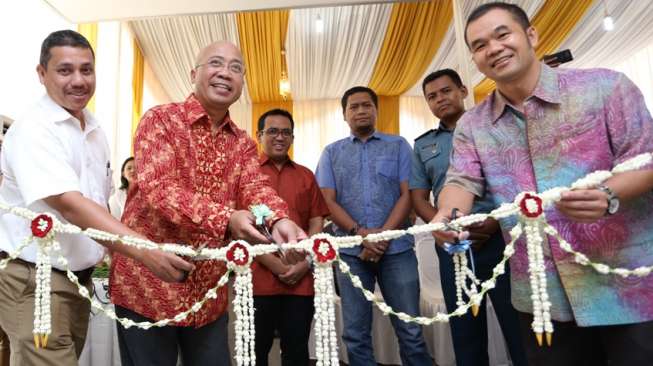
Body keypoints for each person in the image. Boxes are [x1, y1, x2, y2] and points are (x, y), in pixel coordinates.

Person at [431, 3, 653, 365]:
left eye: (503, 34)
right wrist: (447, 217)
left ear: (530, 35)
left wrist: (609, 194)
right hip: (540, 297)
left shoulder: (606, 87)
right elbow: (461, 181)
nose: (494, 48)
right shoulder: (474, 125)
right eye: (480, 45)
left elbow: (647, 159)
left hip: (626, 287)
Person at [0, 30, 192, 366]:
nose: (78, 80)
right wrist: (145, 251)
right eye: (65, 70)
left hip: (77, 280)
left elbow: (100, 206)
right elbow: (71, 205)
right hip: (35, 281)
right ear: (42, 74)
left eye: (86, 70)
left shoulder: (94, 129)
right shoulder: (34, 128)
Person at [109, 41, 307, 366]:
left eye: (236, 68)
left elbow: (255, 191)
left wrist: (276, 220)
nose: (225, 73)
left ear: (242, 82)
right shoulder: (161, 120)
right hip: (147, 286)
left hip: (208, 295)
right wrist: (227, 218)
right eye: (216, 63)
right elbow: (159, 189)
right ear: (193, 74)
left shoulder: (242, 143)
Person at [410, 69, 527, 366]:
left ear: (463, 91)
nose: (440, 99)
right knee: (465, 332)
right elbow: (418, 198)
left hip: (501, 239)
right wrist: (444, 226)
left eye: (446, 91)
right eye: (432, 96)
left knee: (517, 325)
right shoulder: (423, 145)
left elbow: (517, 180)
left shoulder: (494, 126)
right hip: (454, 247)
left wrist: (496, 221)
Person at [315, 86, 432, 365]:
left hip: (398, 251)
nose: (361, 111)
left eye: (366, 105)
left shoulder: (399, 145)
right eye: (353, 107)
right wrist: (360, 234)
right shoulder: (332, 153)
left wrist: (383, 237)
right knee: (355, 334)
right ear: (344, 114)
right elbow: (326, 200)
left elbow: (408, 194)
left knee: (410, 328)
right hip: (351, 255)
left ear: (376, 110)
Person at [253, 108, 330, 366]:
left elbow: (317, 220)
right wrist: (275, 264)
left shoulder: (306, 175)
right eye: (272, 131)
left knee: (296, 350)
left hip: (300, 279)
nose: (279, 137)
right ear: (259, 135)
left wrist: (303, 262)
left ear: (292, 138)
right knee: (256, 350)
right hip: (259, 279)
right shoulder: (247, 176)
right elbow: (239, 228)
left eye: (286, 132)